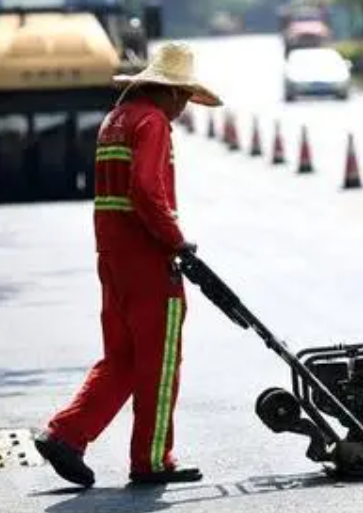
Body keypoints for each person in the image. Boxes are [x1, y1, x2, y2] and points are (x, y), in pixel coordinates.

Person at [33, 42, 222, 488]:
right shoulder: (153, 122)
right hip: (148, 260)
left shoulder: (115, 120)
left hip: (112, 257)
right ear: (172, 93)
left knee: (122, 358)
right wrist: (176, 240)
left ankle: (66, 433)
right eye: (184, 98)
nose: (183, 108)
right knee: (159, 361)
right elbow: (144, 190)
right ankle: (152, 459)